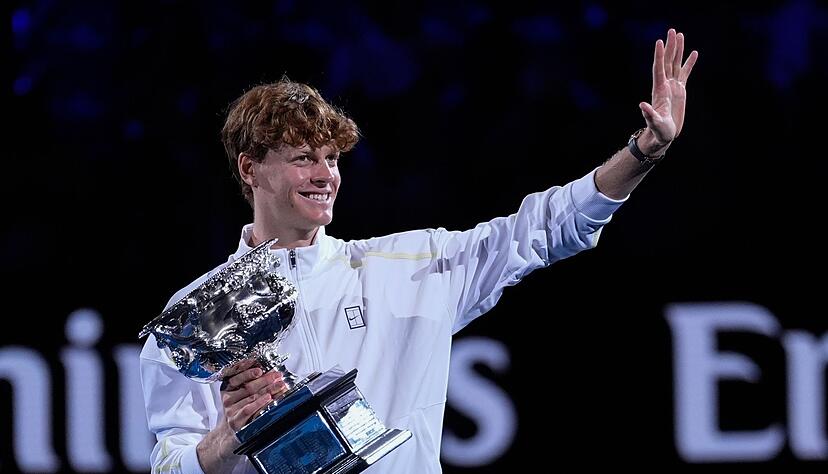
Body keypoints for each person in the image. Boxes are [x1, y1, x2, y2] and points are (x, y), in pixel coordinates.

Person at [140, 28, 698, 473]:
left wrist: (643, 152)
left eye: (333, 159)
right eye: (304, 158)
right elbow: (170, 460)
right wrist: (225, 443)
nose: (325, 175)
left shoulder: (410, 267)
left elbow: (545, 229)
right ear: (250, 168)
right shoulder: (198, 312)